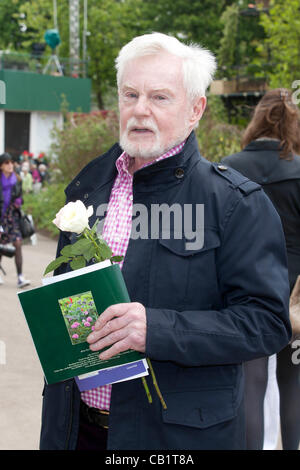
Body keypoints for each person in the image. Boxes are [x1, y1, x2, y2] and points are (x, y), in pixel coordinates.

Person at [40, 33, 291, 451]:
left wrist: (155, 329)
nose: (140, 110)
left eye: (159, 97)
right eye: (131, 94)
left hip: (174, 438)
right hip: (75, 429)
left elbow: (266, 324)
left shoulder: (234, 203)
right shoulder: (87, 190)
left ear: (196, 109)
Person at [222, 88, 300, 450]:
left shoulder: (225, 169)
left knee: (250, 384)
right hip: (295, 294)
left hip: (245, 290)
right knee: (294, 382)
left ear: (257, 119)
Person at [0, 152, 30, 288]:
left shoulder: (17, 180)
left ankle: (20, 277)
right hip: (1, 218)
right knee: (0, 247)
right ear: (1, 166)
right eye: (7, 163)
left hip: (13, 217)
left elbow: (20, 197)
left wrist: (19, 200)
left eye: (11, 162)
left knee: (17, 244)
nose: (10, 165)